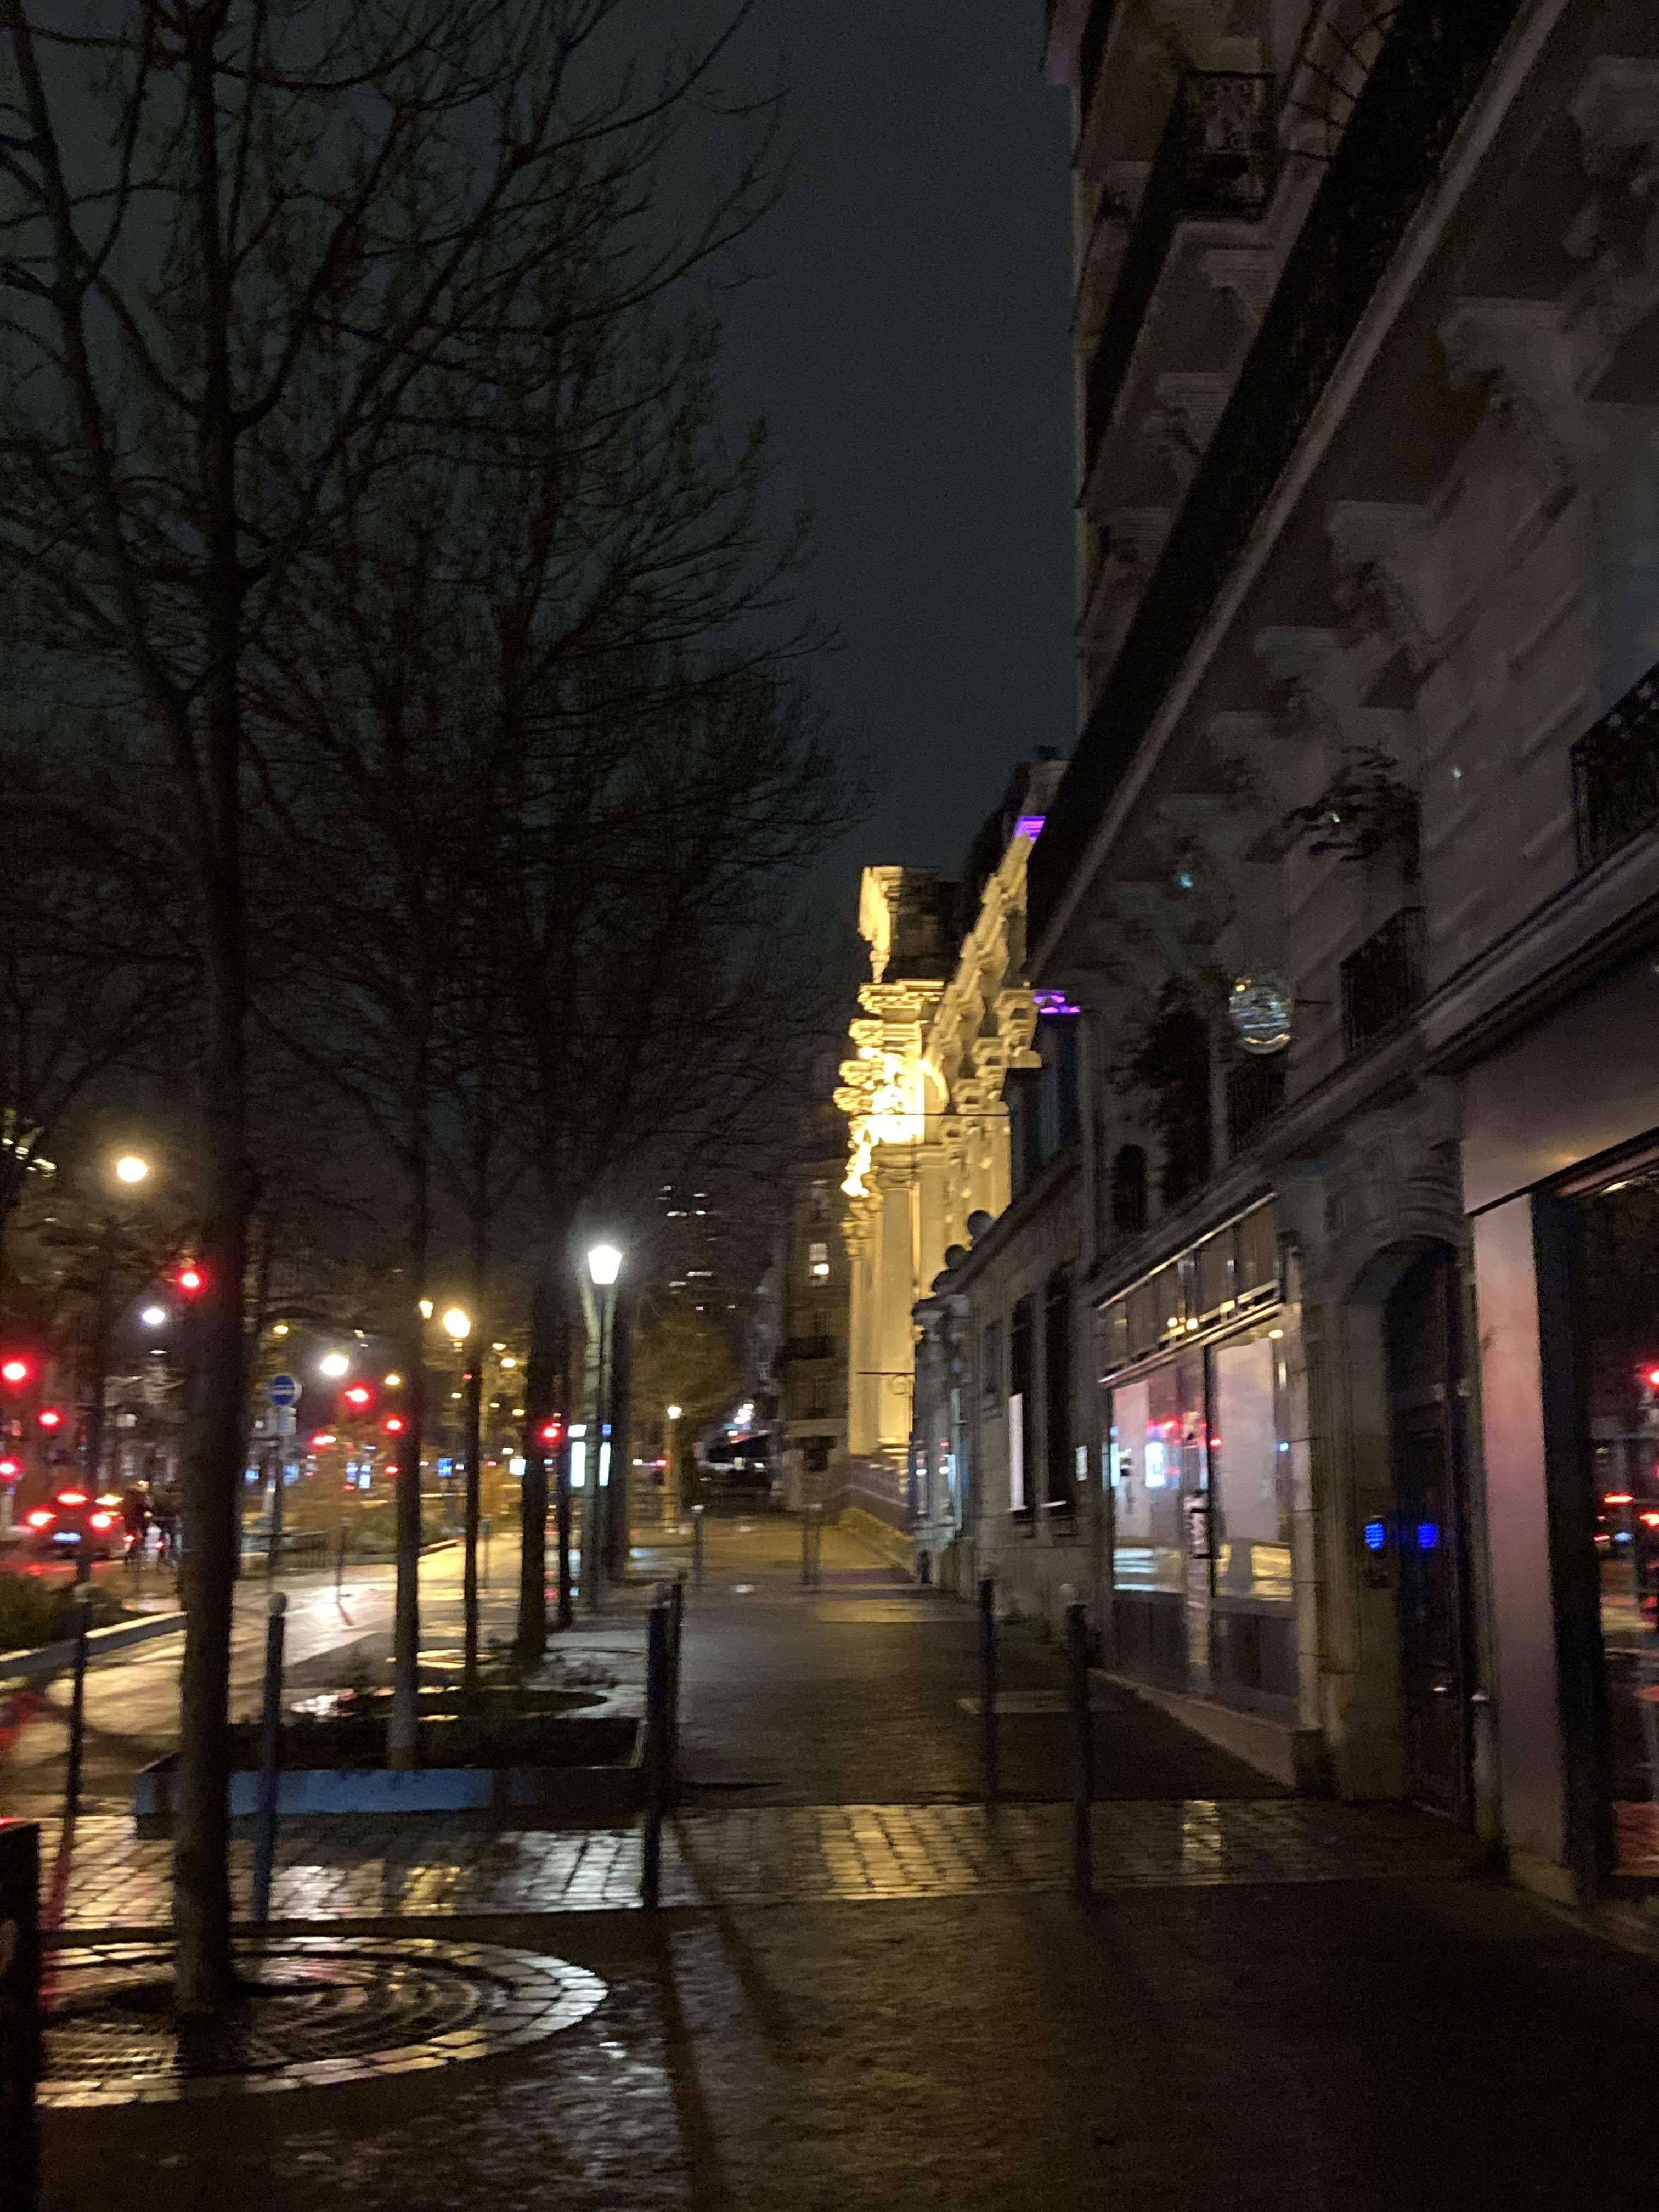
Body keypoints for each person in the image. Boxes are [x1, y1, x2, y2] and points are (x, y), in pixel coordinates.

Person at [121, 1479, 151, 1566]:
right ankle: (138, 1552)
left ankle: (128, 1555)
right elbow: (145, 1508)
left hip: (128, 1520)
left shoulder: (128, 1495)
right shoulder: (142, 1496)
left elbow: (123, 1507)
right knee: (142, 1536)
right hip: (139, 1520)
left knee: (130, 1535)